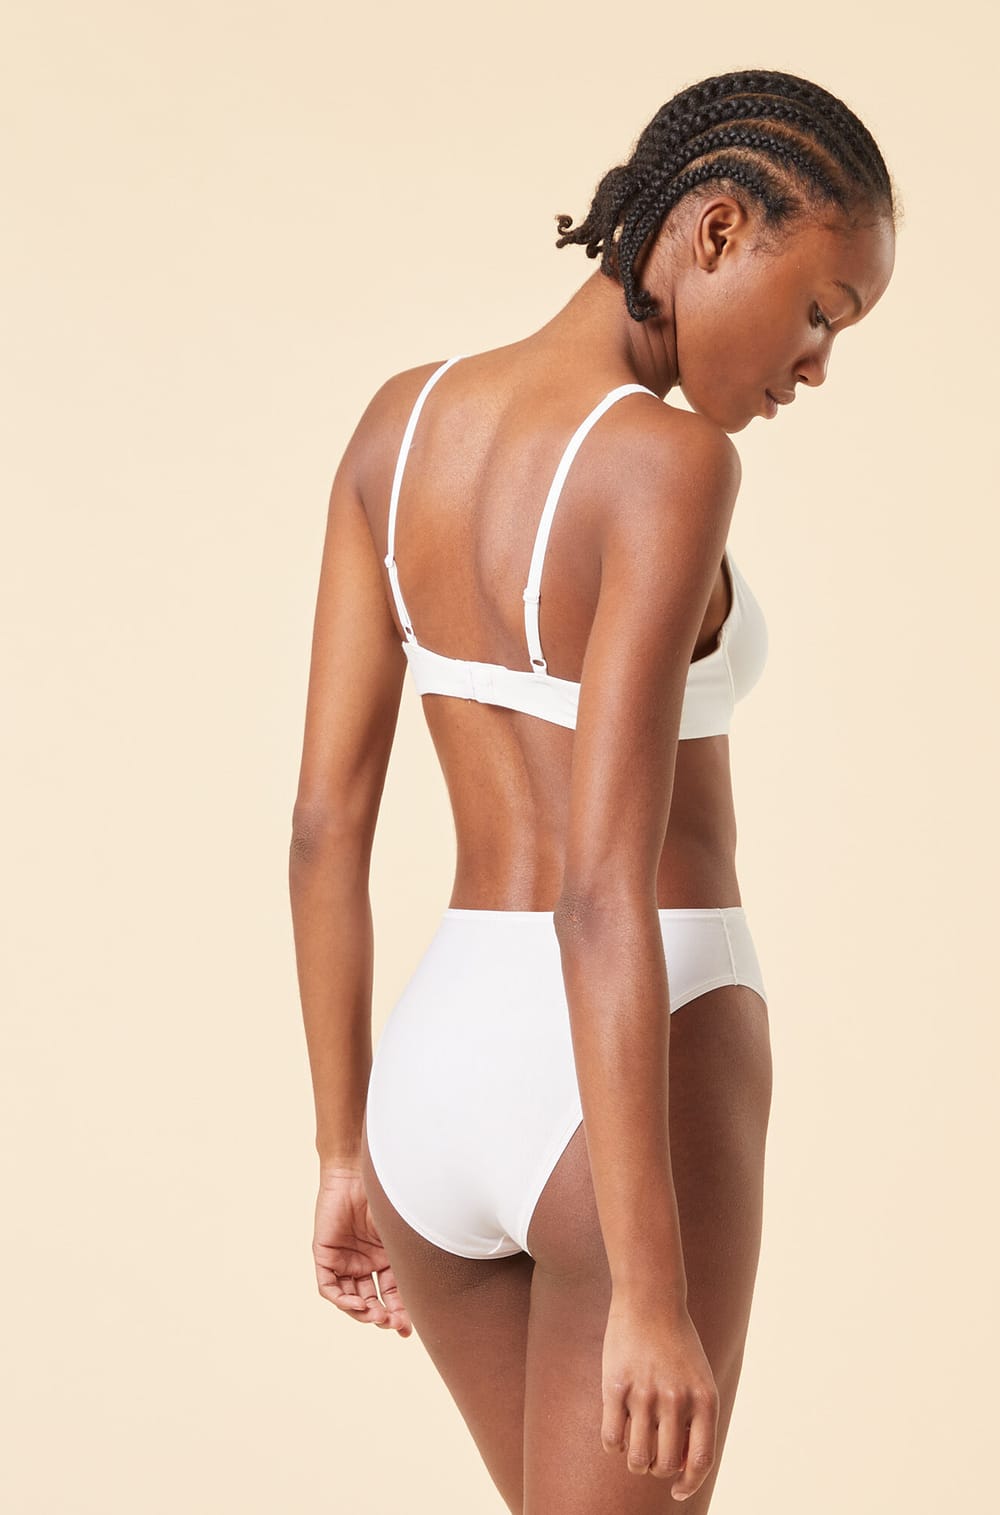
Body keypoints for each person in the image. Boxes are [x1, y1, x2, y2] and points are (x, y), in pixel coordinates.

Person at [288, 67, 898, 1513]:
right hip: (632, 1065)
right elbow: (602, 892)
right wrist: (651, 1292)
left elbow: (322, 829)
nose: (817, 365)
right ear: (717, 228)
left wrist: (342, 1151)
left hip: (430, 1082)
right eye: (822, 311)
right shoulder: (669, 466)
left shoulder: (398, 425)